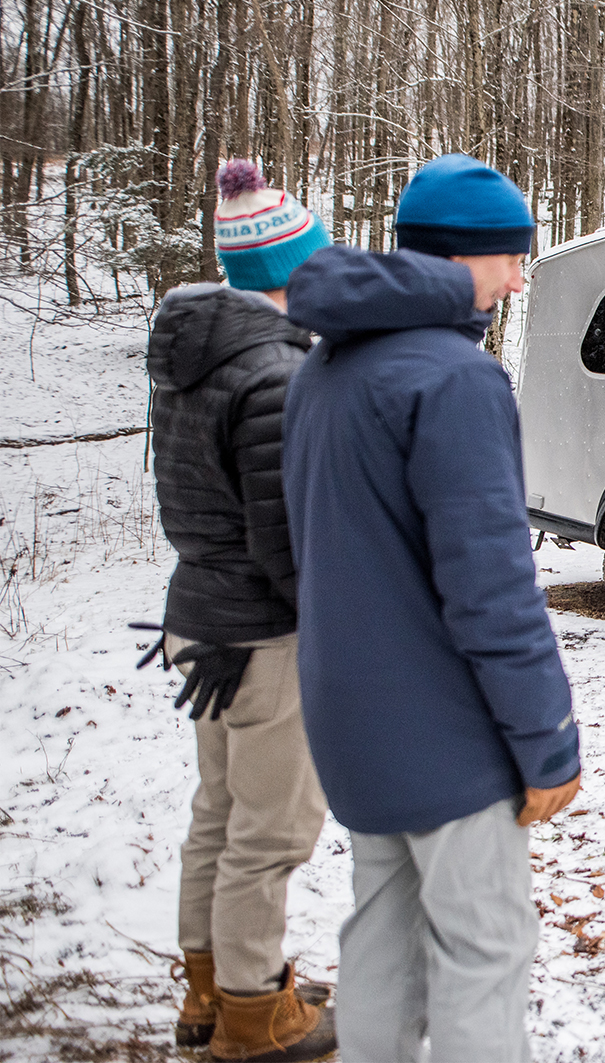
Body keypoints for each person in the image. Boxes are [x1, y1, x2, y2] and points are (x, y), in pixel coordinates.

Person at [281, 153, 581, 1062]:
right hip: (443, 733)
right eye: (508, 257)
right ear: (458, 259)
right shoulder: (451, 378)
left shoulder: (324, 371)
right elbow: (491, 592)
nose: (519, 277)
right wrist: (548, 742)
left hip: (349, 721)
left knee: (383, 940)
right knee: (485, 951)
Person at [145, 159, 336, 1062]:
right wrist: (332, 630)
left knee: (218, 815)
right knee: (271, 832)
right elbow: (284, 540)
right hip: (260, 635)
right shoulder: (272, 373)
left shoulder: (192, 355)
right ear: (287, 273)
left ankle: (207, 989)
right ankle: (257, 1018)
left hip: (199, 618)